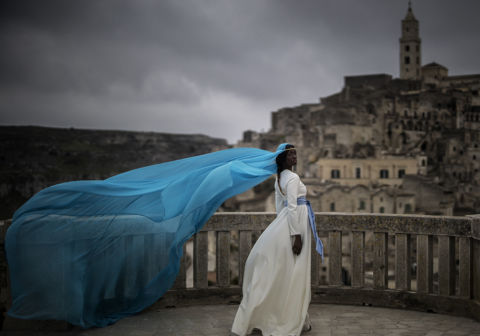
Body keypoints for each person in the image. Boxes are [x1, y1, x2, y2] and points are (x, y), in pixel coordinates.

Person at [231, 144, 323, 336]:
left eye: (296, 154)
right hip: (296, 224)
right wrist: (295, 235)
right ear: (282, 159)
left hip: (288, 223)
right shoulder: (293, 178)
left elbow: (279, 208)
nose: (295, 157)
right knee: (295, 271)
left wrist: (280, 229)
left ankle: (296, 316)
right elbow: (290, 207)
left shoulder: (279, 178)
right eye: (290, 155)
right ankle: (289, 317)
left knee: (287, 271)